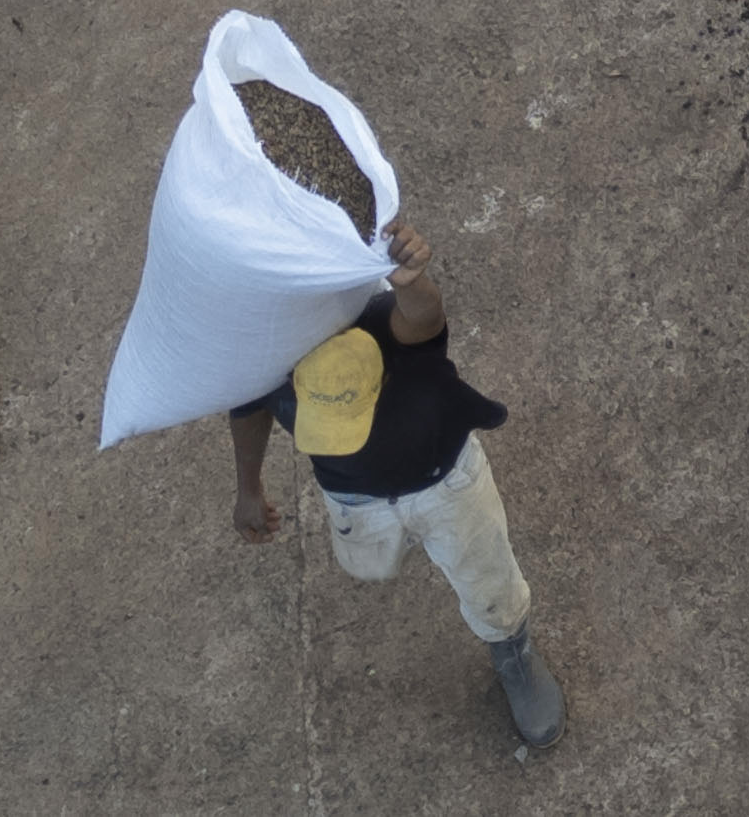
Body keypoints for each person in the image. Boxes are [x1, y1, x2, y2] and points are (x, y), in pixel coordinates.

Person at [228, 222, 567, 751]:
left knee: (488, 582)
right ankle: (400, 540)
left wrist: (410, 281)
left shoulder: (384, 323)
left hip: (445, 481)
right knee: (370, 563)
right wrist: (248, 486)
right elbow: (248, 405)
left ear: (382, 379)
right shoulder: (258, 342)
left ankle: (513, 652)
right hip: (352, 496)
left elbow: (423, 318)